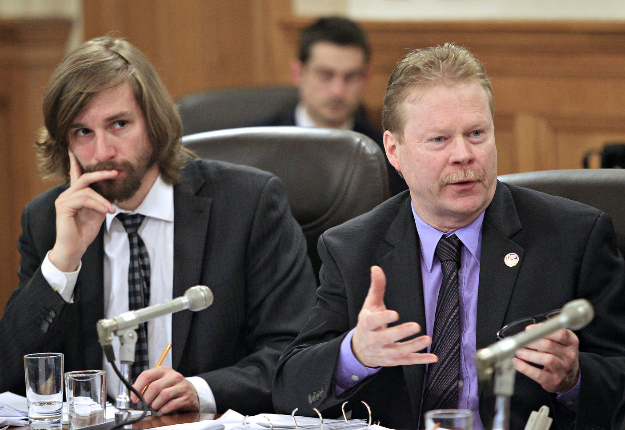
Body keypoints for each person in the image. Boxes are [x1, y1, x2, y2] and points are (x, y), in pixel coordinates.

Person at [273, 43, 625, 430]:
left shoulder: (574, 237)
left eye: (476, 133)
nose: (464, 154)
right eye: (439, 140)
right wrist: (355, 353)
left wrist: (574, 379)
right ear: (394, 150)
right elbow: (289, 387)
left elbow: (617, 376)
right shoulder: (353, 249)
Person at [0, 36, 317, 416]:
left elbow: (296, 356)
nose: (102, 153)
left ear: (154, 122)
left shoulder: (249, 205)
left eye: (118, 124)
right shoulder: (47, 222)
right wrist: (62, 262)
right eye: (83, 132)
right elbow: (10, 375)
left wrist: (200, 390)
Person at [264, 16, 407, 196]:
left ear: (365, 78)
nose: (337, 91)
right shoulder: (260, 146)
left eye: (351, 77)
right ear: (298, 73)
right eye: (325, 75)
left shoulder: (388, 155)